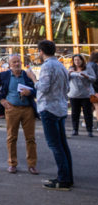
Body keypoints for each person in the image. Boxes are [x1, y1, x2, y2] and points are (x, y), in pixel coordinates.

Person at [0, 54, 39, 175]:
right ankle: (12, 163)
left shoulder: (27, 75)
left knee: (30, 138)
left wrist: (30, 92)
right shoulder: (3, 75)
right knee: (11, 137)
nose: (17, 64)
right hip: (12, 109)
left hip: (27, 110)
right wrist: (1, 100)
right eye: (14, 62)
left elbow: (38, 90)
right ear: (9, 65)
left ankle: (32, 165)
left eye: (18, 62)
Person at [35, 40, 72, 190]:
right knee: (62, 144)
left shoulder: (47, 66)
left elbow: (43, 87)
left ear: (41, 51)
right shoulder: (61, 65)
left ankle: (63, 179)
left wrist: (33, 80)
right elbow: (67, 87)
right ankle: (68, 177)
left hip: (49, 108)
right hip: (61, 107)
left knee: (55, 145)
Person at [67, 54, 95, 137]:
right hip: (74, 94)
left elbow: (94, 78)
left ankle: (89, 130)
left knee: (88, 113)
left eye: (78, 60)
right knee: (75, 113)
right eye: (75, 60)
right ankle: (75, 129)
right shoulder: (71, 68)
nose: (77, 62)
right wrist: (68, 73)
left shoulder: (88, 68)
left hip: (86, 94)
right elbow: (66, 79)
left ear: (82, 60)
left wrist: (86, 76)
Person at [88, 52, 98, 123]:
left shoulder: (87, 65)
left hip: (89, 89)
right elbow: (96, 79)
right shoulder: (95, 66)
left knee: (91, 107)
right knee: (97, 106)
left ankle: (86, 122)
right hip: (95, 89)